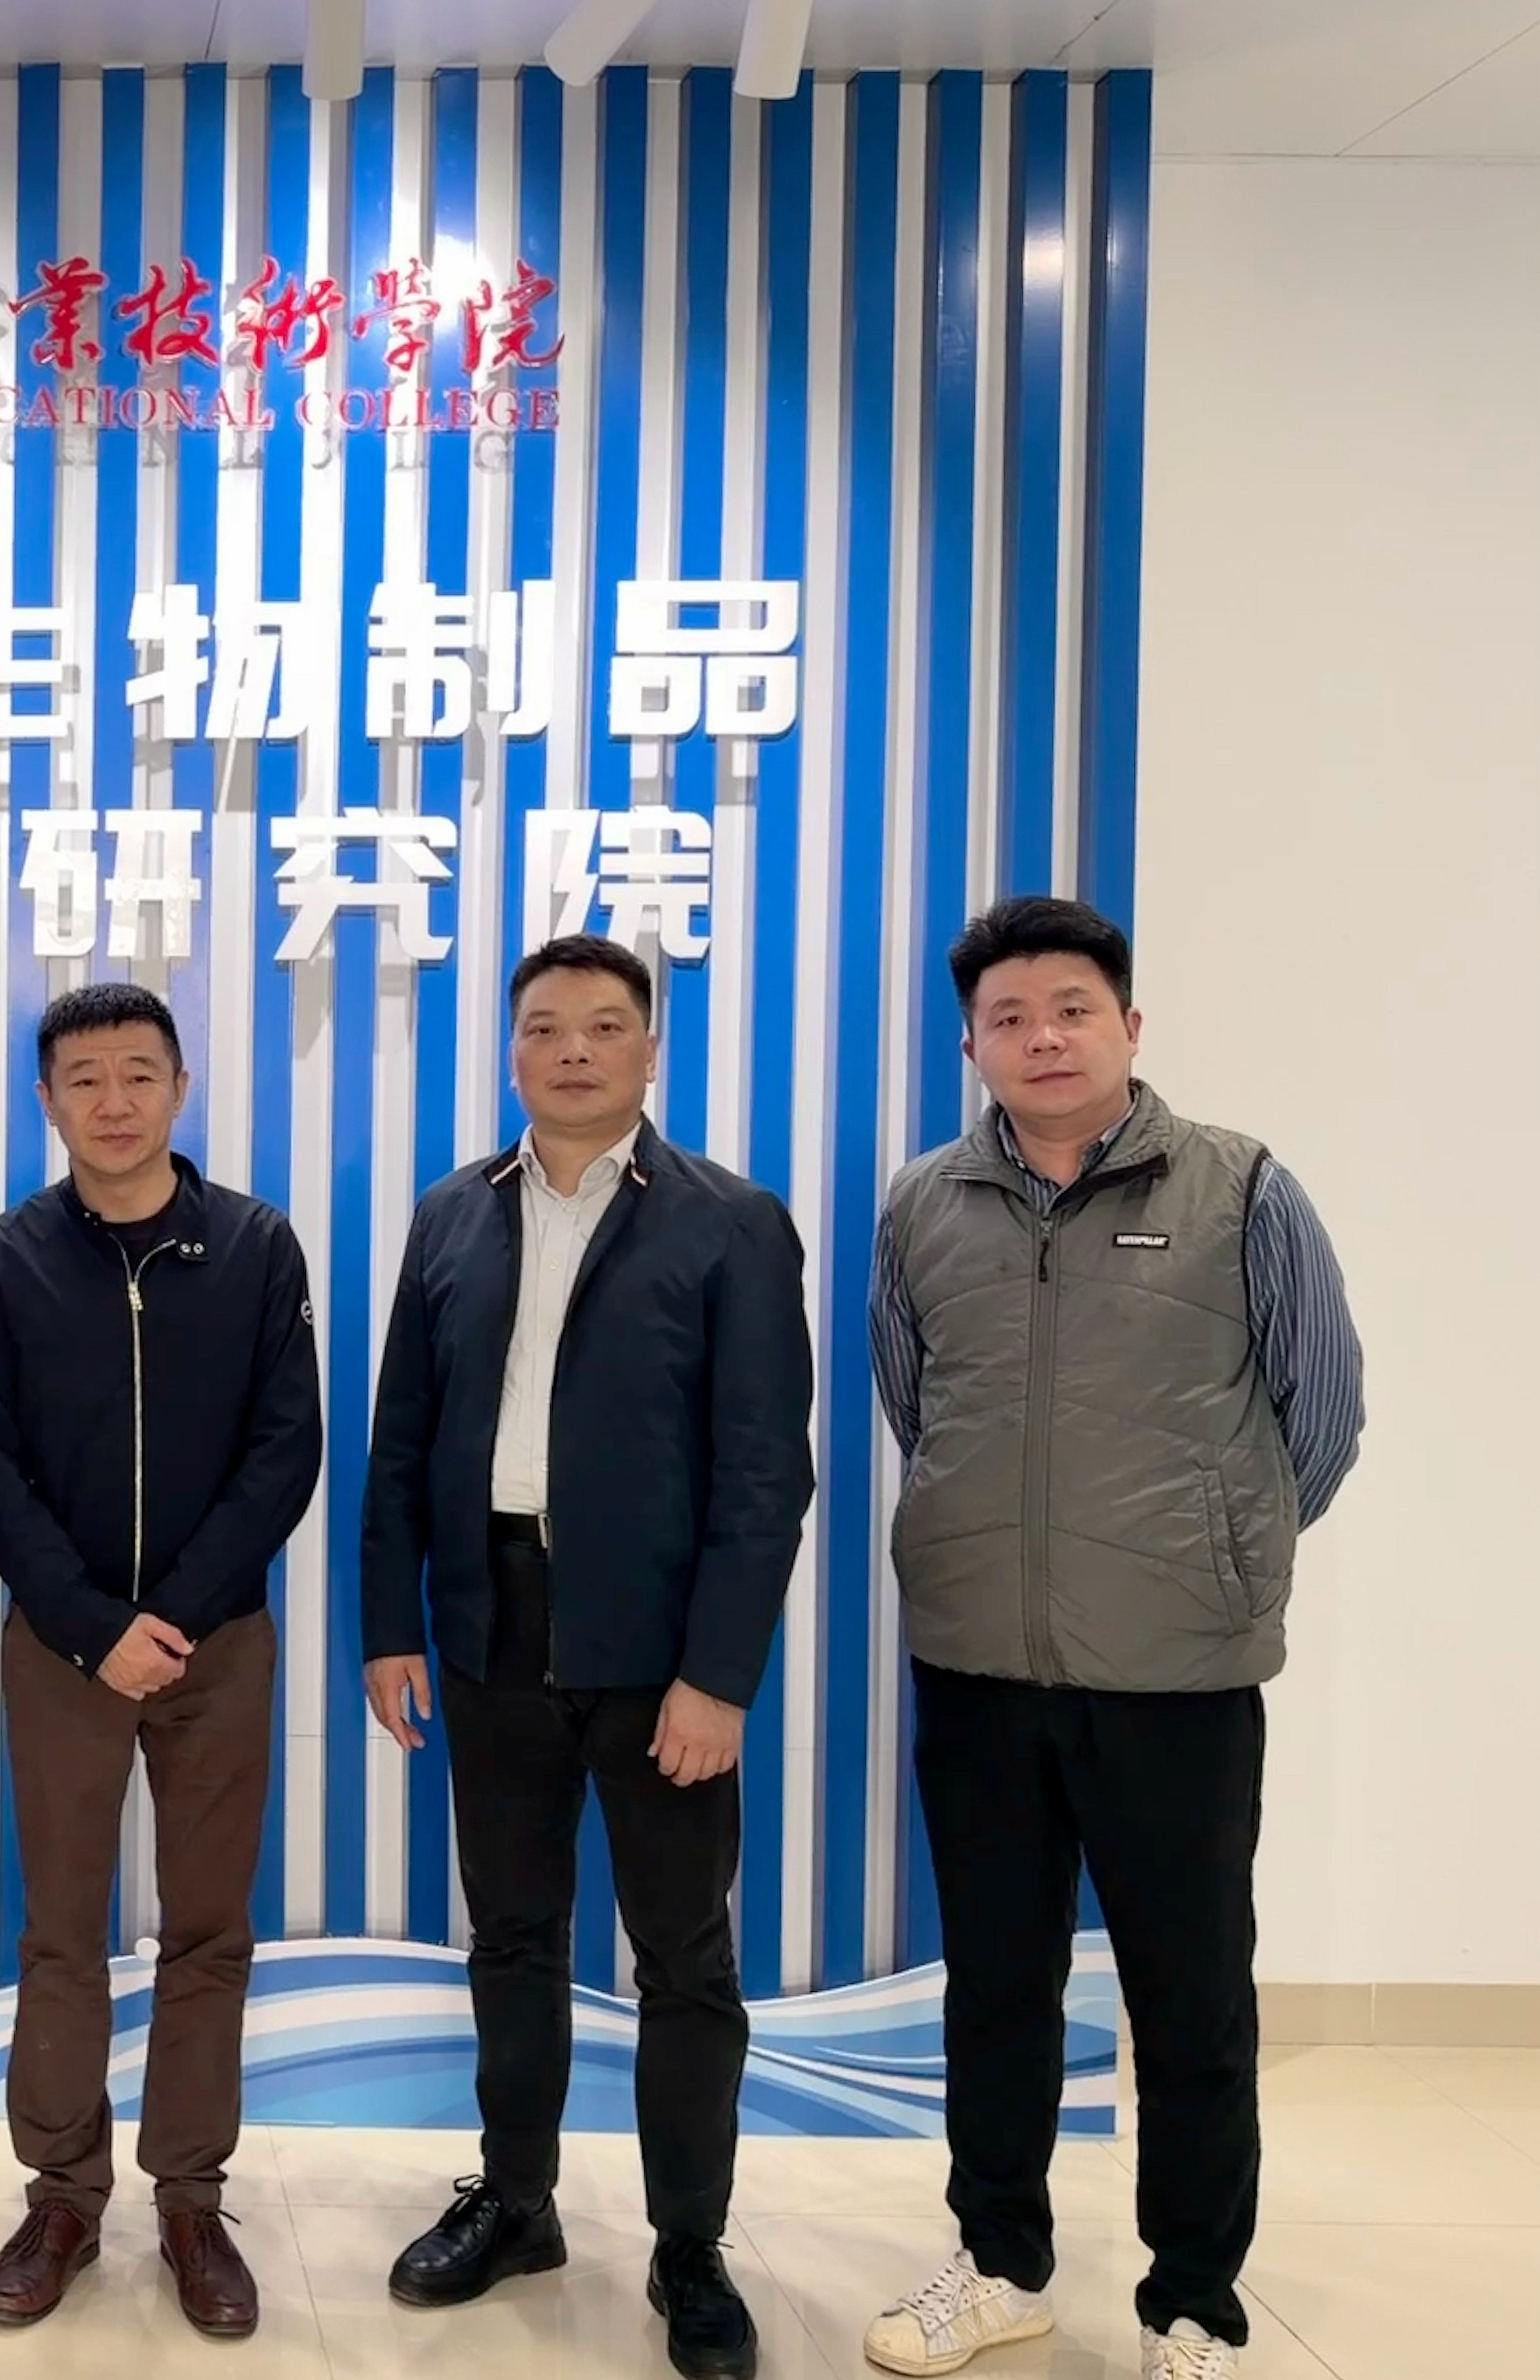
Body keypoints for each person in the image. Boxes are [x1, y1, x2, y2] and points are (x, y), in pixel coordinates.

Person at [858, 898, 1363, 2380]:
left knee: (1189, 1998)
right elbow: (916, 1402)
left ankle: (1193, 2301)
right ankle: (1000, 2261)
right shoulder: (923, 1204)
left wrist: (1207, 1556)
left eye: (1073, 1009)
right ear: (972, 1045)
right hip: (978, 1668)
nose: (1045, 1038)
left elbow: (1322, 1416)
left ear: (1129, 1026)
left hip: (1177, 1677)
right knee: (995, 1987)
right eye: (1010, 1018)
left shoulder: (1242, 1188)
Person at [359, 934, 813, 2380]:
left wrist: (720, 1675)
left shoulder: (730, 1222)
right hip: (490, 1623)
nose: (572, 1049)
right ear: (512, 1050)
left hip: (659, 1643)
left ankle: (692, 2245)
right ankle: (519, 2201)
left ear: (648, 1050)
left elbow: (766, 1474)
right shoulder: (453, 1214)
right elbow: (401, 1441)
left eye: (604, 1027)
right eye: (545, 1026)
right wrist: (390, 1625)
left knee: (683, 1957)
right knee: (512, 1935)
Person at [0, 981, 320, 2339]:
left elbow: (287, 1446)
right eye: (85, 1078)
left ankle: (191, 2199)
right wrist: (92, 1623)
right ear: (48, 1100)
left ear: (180, 1086)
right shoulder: (1, 1260)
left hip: (221, 1643)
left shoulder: (255, 1245)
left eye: (139, 1074)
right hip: (64, 1647)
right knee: (62, 1927)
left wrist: (181, 1611)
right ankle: (61, 2195)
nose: (114, 1101)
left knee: (209, 1930)